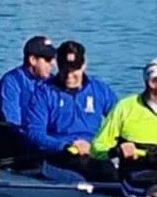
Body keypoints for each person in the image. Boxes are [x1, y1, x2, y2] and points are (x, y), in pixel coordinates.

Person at [89, 57, 157, 197]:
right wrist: (116, 151)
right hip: (135, 174)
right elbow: (96, 148)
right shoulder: (125, 108)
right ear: (152, 82)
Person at [22, 40, 119, 177]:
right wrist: (66, 145)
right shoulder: (44, 93)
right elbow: (34, 133)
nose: (69, 75)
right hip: (61, 155)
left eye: (74, 70)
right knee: (104, 171)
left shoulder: (100, 89)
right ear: (58, 64)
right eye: (64, 68)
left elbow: (121, 122)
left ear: (84, 64)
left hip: (95, 151)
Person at [0, 35, 58, 165]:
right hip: (15, 145)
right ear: (32, 60)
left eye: (54, 59)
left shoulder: (52, 83)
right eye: (48, 59)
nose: (53, 64)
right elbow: (13, 125)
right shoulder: (11, 82)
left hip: (44, 142)